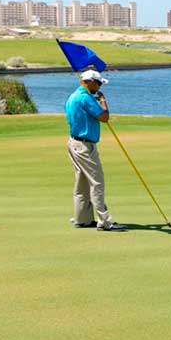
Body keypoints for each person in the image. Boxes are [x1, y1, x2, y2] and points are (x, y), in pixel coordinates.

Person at [65, 69, 125, 232]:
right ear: (89, 81)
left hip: (74, 143)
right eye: (98, 83)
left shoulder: (74, 96)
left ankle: (82, 218)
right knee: (97, 182)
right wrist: (103, 100)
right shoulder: (85, 97)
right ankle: (104, 221)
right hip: (85, 145)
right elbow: (104, 117)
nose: (99, 87)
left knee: (82, 182)